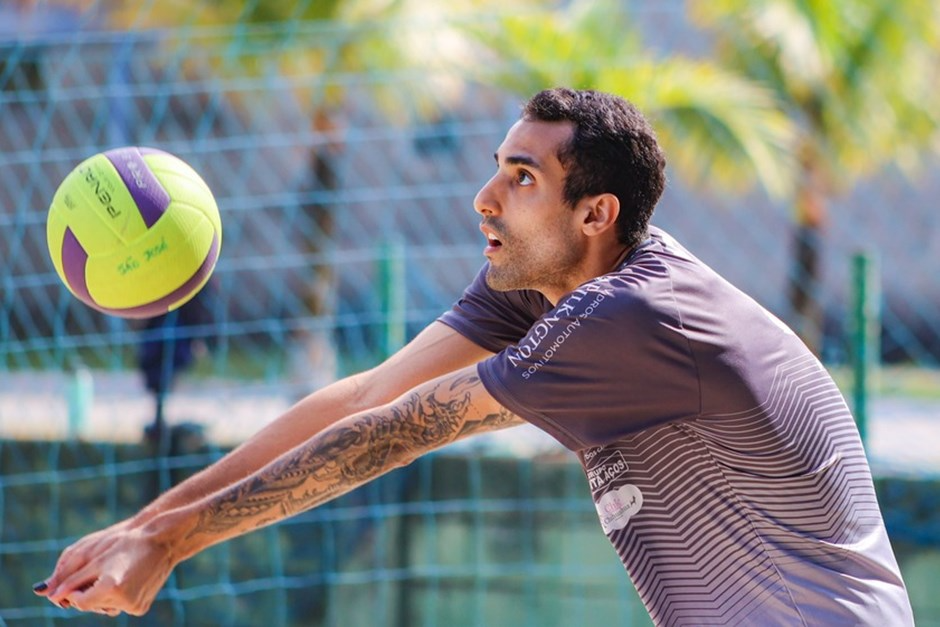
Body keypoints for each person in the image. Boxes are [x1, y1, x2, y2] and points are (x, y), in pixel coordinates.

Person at [33, 88, 914, 625]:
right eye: (498, 165)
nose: (483, 197)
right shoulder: (551, 277)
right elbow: (368, 395)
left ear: (595, 213)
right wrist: (144, 525)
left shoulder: (634, 316)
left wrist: (175, 541)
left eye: (522, 177)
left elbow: (394, 433)